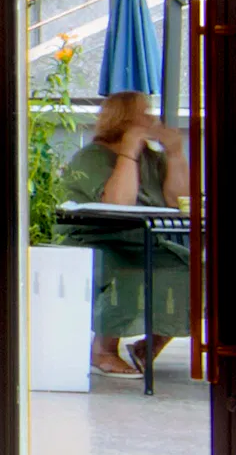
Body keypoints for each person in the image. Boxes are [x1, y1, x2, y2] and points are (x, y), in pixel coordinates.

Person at [63, 89, 188, 378]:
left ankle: (149, 345)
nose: (151, 118)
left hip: (143, 240)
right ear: (124, 119)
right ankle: (103, 350)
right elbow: (118, 204)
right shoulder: (91, 157)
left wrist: (176, 153)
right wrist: (128, 151)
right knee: (130, 272)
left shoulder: (153, 159)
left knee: (197, 271)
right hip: (97, 239)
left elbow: (179, 201)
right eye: (143, 114)